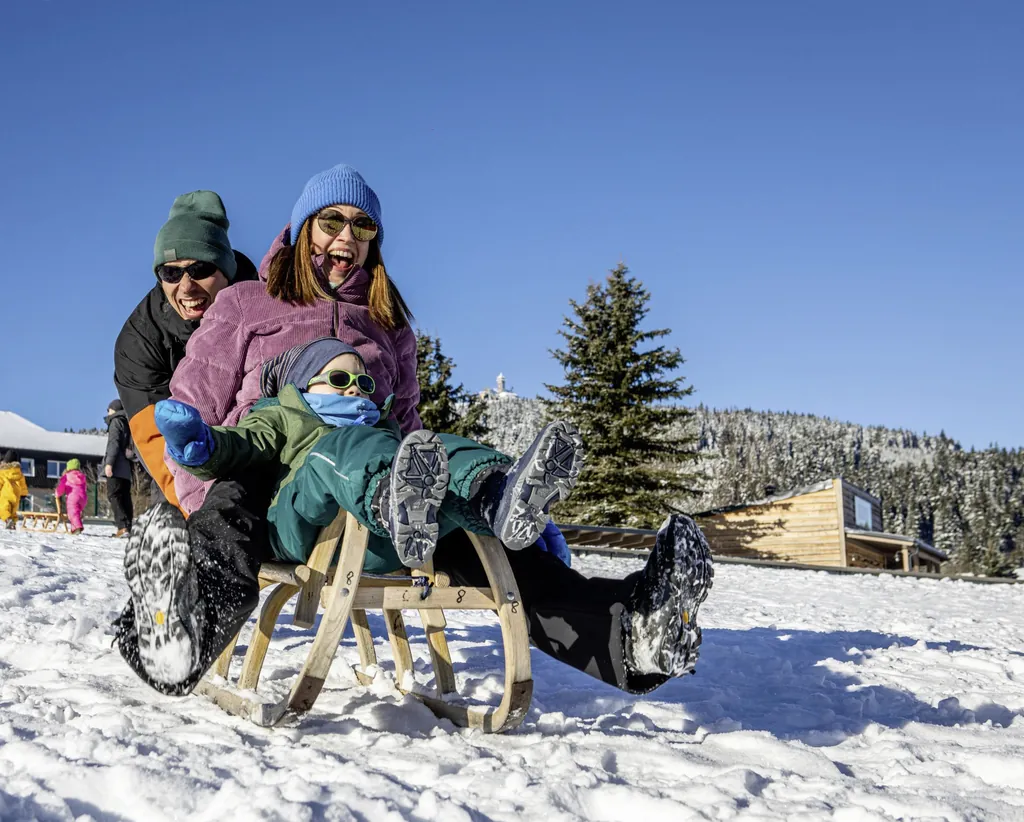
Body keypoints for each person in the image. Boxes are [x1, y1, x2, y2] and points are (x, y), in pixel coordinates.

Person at [117, 164, 713, 700]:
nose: (346, 237)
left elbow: (408, 428)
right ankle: (179, 633)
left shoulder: (388, 321)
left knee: (480, 538)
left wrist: (516, 520)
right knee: (229, 513)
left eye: (362, 226)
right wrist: (199, 503)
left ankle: (629, 634)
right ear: (301, 229)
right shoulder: (246, 304)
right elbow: (196, 406)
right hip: (272, 479)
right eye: (331, 221)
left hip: (379, 485)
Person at [113, 190, 259, 507]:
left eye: (200, 270)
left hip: (257, 448)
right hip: (181, 466)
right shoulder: (140, 339)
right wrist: (192, 508)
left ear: (227, 270)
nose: (186, 286)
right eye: (171, 272)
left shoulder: (267, 304)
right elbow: (154, 438)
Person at [103, 400, 134, 536]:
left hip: (117, 466)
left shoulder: (115, 422)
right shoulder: (128, 422)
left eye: (108, 409)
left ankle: (122, 526)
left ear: (113, 410)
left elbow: (113, 444)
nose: (107, 412)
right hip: (127, 468)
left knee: (114, 495)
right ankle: (128, 526)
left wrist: (109, 464)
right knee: (125, 496)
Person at [55, 458, 88, 535]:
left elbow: (61, 488)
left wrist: (57, 494)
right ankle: (74, 529)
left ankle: (77, 527)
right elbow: (85, 487)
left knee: (72, 513)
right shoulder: (82, 476)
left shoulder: (66, 476)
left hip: (73, 498)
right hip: (83, 498)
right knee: (76, 513)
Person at [0, 450, 28, 529]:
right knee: (13, 511)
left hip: (6, 493)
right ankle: (12, 524)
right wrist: (23, 494)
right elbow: (22, 484)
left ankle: (8, 520)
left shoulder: (3, 472)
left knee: (3, 508)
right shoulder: (19, 472)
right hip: (17, 494)